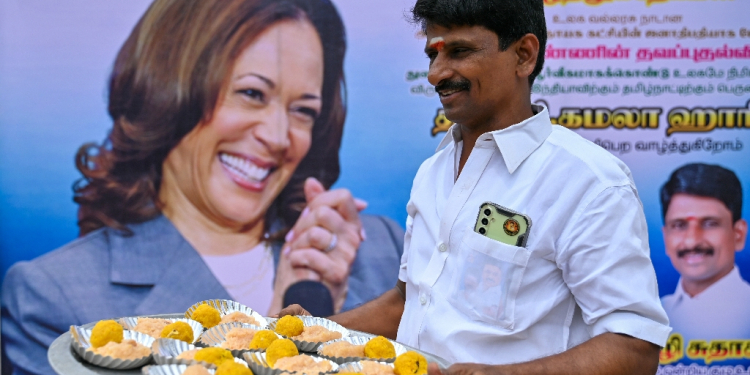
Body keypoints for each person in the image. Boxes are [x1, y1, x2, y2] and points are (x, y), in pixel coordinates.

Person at [0, 1, 403, 374]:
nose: (280, 137)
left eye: (302, 110)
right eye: (251, 93)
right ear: (167, 91)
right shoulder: (52, 295)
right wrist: (283, 333)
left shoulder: (387, 249)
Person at [281, 0, 670, 373]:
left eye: (460, 51)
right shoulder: (434, 171)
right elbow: (408, 301)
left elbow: (633, 348)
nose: (436, 73)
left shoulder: (590, 183)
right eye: (433, 54)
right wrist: (317, 331)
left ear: (524, 55)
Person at [660, 163, 750, 342]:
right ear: (666, 238)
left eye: (710, 224)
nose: (692, 241)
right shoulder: (652, 317)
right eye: (679, 225)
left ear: (738, 235)